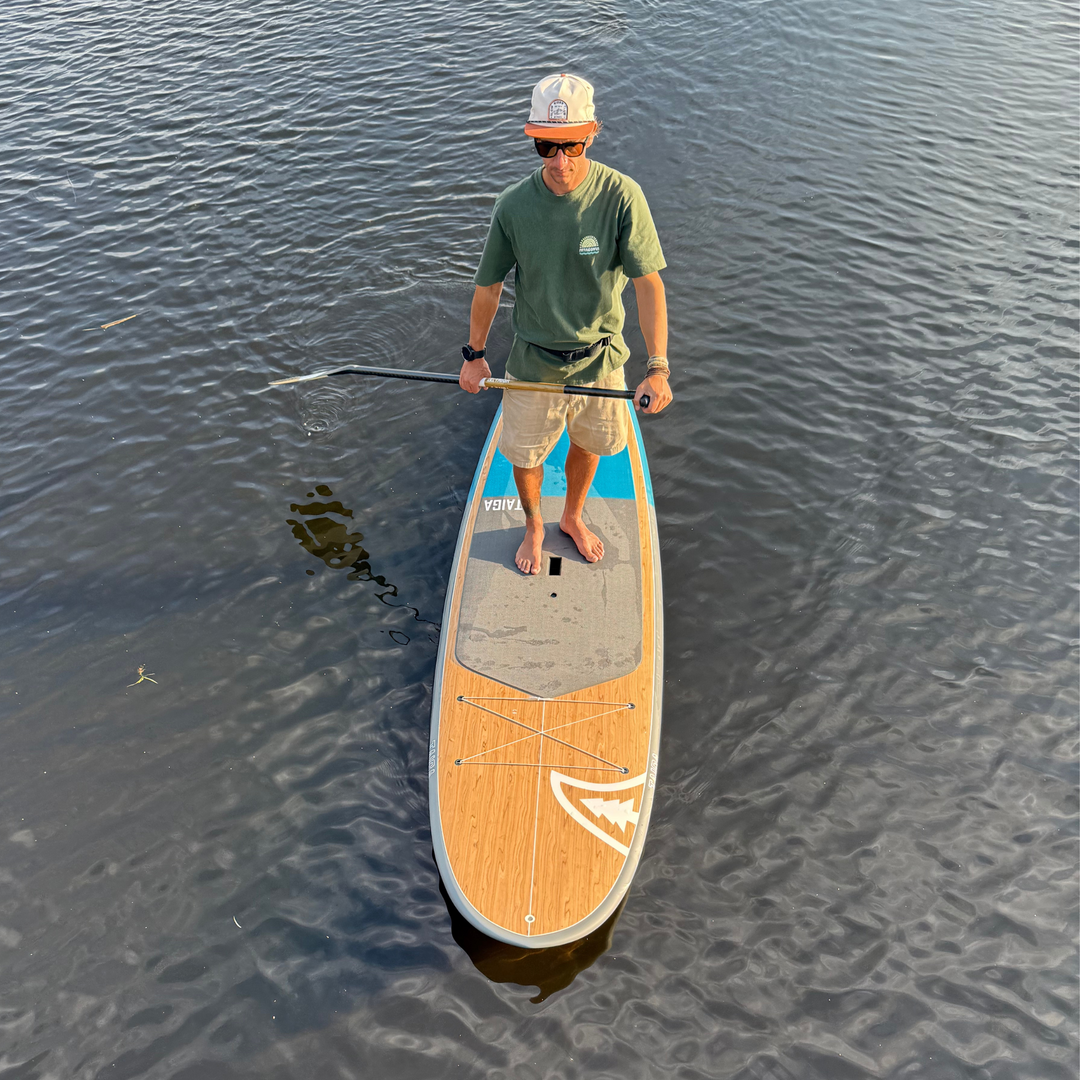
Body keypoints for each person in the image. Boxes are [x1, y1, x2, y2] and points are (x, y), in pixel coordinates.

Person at [459, 72, 673, 575]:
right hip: (533, 361)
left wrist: (658, 366)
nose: (560, 162)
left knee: (589, 443)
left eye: (572, 146)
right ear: (534, 141)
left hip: (600, 359)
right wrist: (473, 356)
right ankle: (535, 524)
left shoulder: (623, 196)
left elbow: (649, 286)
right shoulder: (512, 206)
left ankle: (572, 517)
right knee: (526, 455)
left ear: (592, 134)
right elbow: (488, 287)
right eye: (547, 149)